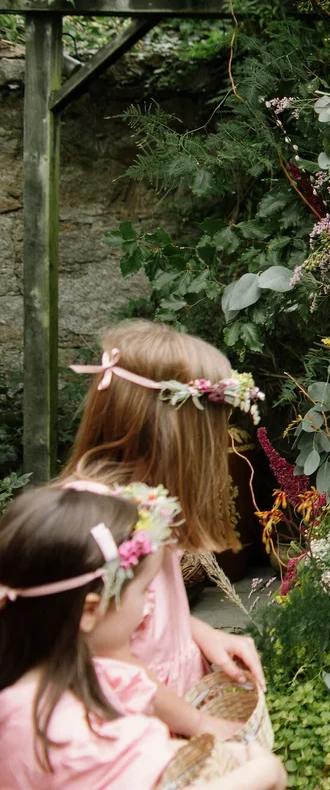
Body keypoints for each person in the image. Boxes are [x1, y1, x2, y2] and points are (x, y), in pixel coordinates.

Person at [0, 485, 286, 790]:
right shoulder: (70, 737)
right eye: (143, 591)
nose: (150, 603)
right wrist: (264, 773)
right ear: (89, 611)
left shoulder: (41, 693)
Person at [58, 320, 267, 695]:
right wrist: (196, 721)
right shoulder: (102, 525)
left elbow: (144, 617)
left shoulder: (149, 504)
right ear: (174, 436)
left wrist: (198, 632)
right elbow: (109, 664)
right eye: (210, 433)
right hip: (136, 717)